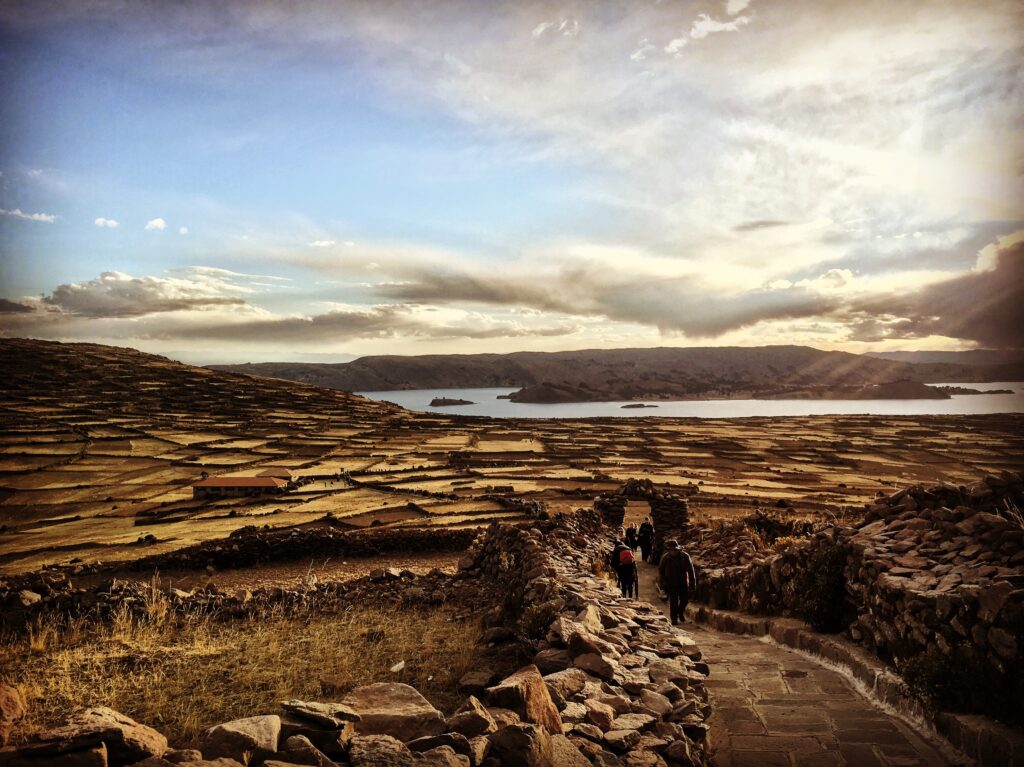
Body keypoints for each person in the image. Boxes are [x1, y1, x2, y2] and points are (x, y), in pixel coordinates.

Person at [658, 538, 697, 625]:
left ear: (678, 549)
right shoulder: (666, 558)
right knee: (673, 602)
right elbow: (661, 570)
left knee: (685, 601)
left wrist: (692, 585)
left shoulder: (685, 556)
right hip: (671, 583)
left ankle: (680, 612)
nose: (673, 552)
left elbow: (691, 571)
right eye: (671, 550)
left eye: (674, 550)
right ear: (669, 550)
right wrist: (664, 583)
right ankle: (674, 618)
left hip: (683, 582)